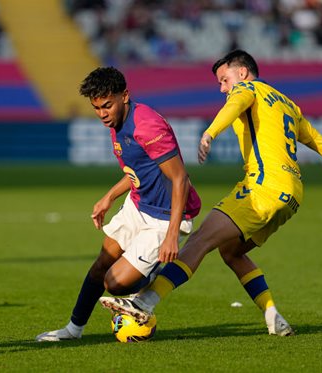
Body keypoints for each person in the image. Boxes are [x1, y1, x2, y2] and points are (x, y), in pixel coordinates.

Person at [99, 50, 322, 336]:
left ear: (242, 73)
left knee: (199, 242)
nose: (223, 88)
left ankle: (144, 302)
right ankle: (272, 315)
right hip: (292, 195)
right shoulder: (288, 105)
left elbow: (237, 102)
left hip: (262, 188)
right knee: (231, 252)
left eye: (224, 79)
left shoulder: (246, 88)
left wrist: (210, 133)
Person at [36, 66, 201, 341]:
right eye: (97, 107)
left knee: (114, 283)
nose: (102, 114)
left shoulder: (147, 126)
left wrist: (172, 235)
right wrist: (109, 197)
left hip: (166, 214)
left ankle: (147, 284)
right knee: (101, 264)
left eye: (107, 106)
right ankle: (73, 330)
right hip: (139, 204)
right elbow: (138, 169)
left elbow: (180, 178)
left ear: (125, 96)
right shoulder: (117, 122)